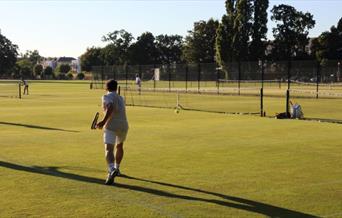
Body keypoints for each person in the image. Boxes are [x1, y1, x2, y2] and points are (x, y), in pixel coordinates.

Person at [96, 80, 129, 185]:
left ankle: (111, 169)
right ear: (116, 87)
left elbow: (110, 107)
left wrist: (103, 122)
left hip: (111, 125)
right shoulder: (121, 98)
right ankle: (117, 168)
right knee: (119, 146)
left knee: (108, 149)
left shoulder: (106, 96)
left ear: (106, 87)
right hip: (124, 125)